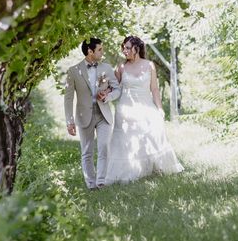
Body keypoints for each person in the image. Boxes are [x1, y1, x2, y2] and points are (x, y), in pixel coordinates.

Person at [105, 36, 183, 185]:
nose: (124, 50)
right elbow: (113, 87)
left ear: (137, 49)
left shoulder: (149, 65)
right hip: (126, 108)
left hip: (146, 106)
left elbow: (154, 89)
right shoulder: (121, 67)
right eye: (124, 47)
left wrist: (160, 108)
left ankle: (151, 169)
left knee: (151, 135)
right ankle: (128, 172)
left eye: (128, 48)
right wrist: (103, 90)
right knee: (126, 140)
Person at [64, 38, 121, 189]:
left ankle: (101, 182)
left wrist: (107, 97)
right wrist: (69, 121)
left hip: (103, 114)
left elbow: (117, 89)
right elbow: (68, 99)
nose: (103, 52)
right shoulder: (73, 71)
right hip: (84, 116)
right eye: (100, 49)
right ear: (90, 51)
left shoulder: (107, 68)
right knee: (87, 151)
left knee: (103, 147)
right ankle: (91, 184)